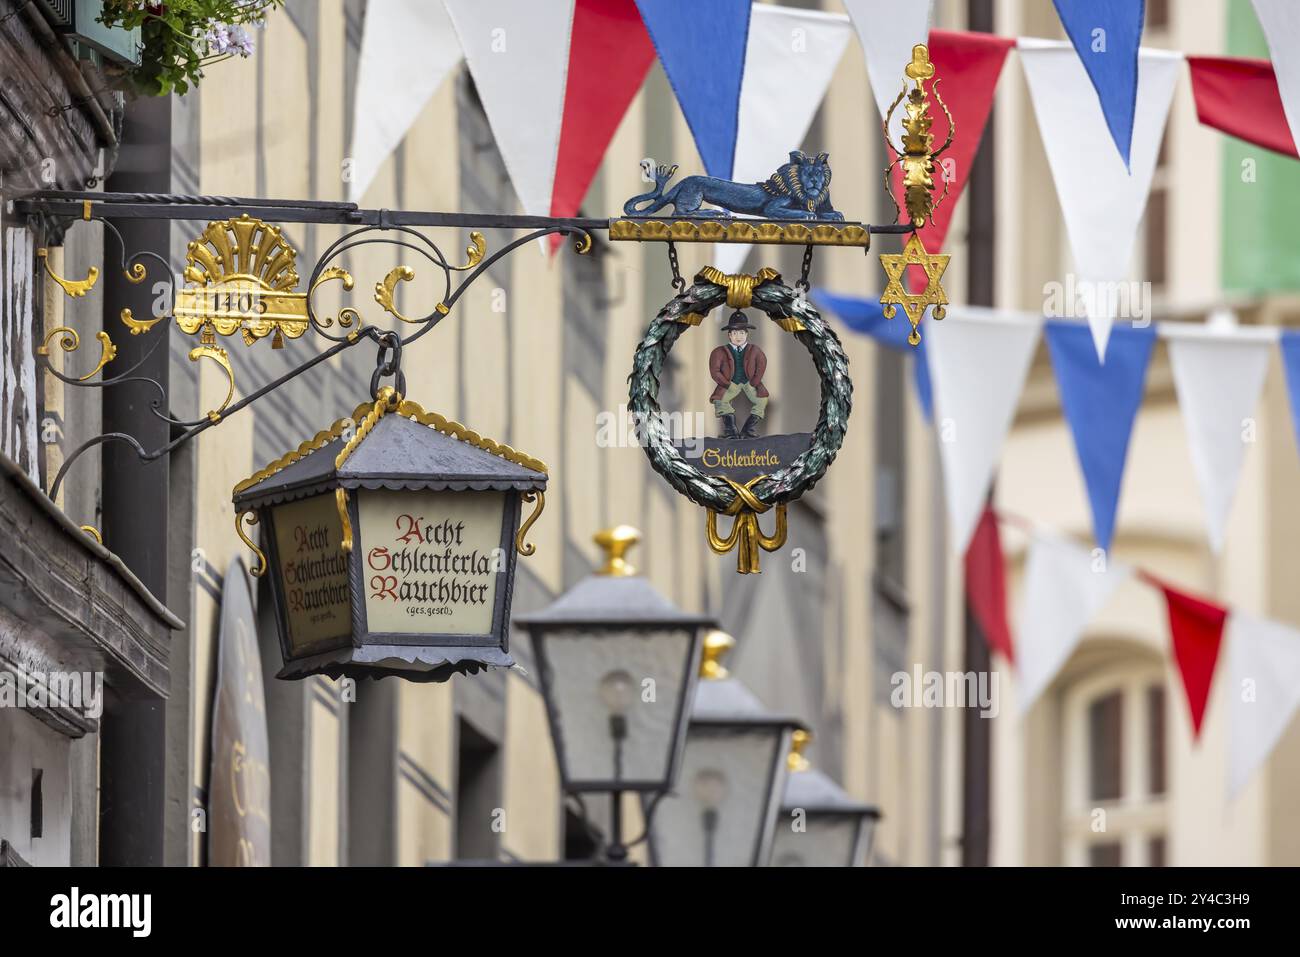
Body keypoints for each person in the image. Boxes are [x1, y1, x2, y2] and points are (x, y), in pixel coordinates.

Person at [708, 311, 768, 439]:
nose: (738, 336)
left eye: (741, 333)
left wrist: (755, 382)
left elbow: (761, 365)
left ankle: (748, 429)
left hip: (749, 382)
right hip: (730, 383)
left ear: (746, 334)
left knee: (761, 400)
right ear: (729, 335)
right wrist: (726, 383)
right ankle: (731, 431)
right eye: (734, 333)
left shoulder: (755, 350)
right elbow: (715, 371)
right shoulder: (719, 352)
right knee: (719, 401)